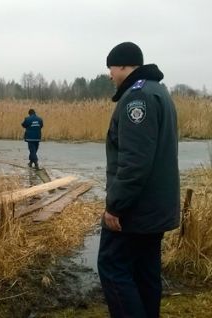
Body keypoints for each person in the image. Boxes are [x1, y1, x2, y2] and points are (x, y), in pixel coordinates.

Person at [98, 42, 180, 318]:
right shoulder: (157, 91)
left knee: (112, 266)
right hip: (154, 208)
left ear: (122, 65)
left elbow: (135, 162)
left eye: (110, 67)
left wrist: (115, 206)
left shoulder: (137, 98)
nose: (109, 74)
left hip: (136, 210)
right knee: (145, 271)